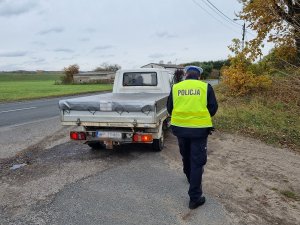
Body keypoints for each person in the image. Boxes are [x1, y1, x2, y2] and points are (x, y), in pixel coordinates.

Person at [167, 65, 218, 209]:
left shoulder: (176, 88)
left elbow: (170, 108)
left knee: (186, 155)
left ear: (186, 75)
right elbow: (213, 109)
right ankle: (195, 198)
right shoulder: (205, 87)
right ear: (199, 76)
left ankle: (189, 177)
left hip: (180, 129)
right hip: (199, 131)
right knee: (197, 162)